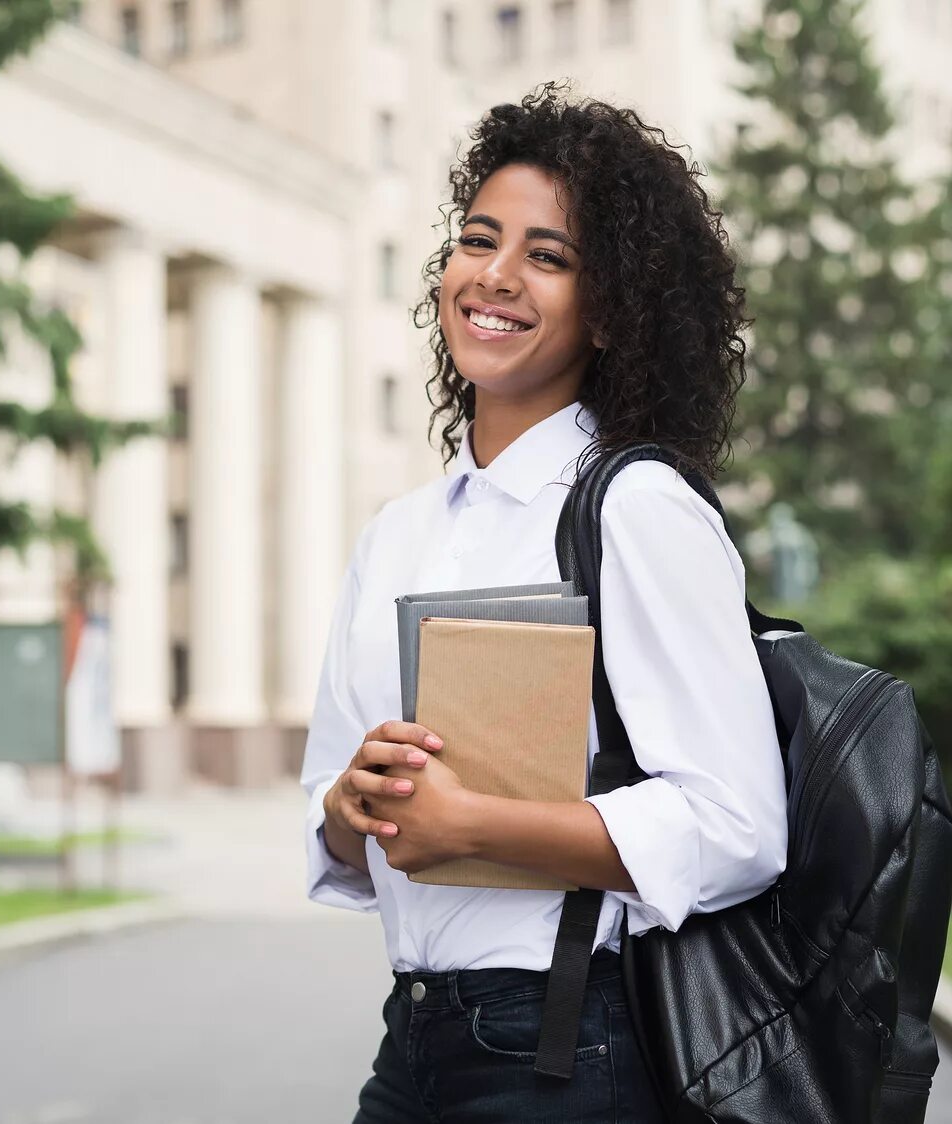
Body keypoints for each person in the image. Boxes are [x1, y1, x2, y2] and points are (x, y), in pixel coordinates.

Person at [299, 82, 787, 1123]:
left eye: (548, 257)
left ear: (608, 313)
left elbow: (738, 822)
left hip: (568, 1052)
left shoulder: (635, 508)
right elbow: (331, 810)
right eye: (479, 240)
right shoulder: (396, 534)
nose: (497, 276)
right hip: (415, 1040)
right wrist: (349, 810)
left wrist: (477, 823)